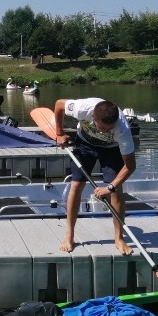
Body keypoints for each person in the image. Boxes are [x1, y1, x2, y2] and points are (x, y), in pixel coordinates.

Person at [53, 98, 136, 255]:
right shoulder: (82, 108)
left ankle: (119, 238)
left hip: (112, 149)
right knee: (76, 184)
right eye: (102, 127)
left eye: (108, 129)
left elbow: (130, 166)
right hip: (84, 143)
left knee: (117, 190)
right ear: (93, 118)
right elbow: (59, 105)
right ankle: (69, 235)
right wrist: (59, 133)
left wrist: (110, 188)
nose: (105, 131)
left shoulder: (122, 130)